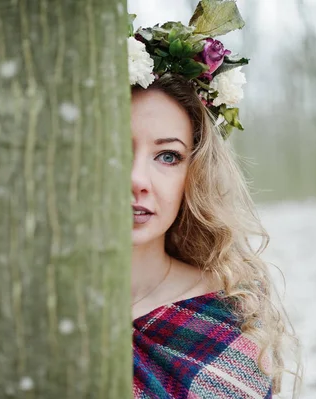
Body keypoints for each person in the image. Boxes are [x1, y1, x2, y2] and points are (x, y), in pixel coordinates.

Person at [129, 2, 301, 398]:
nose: (137, 180)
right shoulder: (34, 306)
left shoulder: (222, 315)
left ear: (195, 175)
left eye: (167, 156)